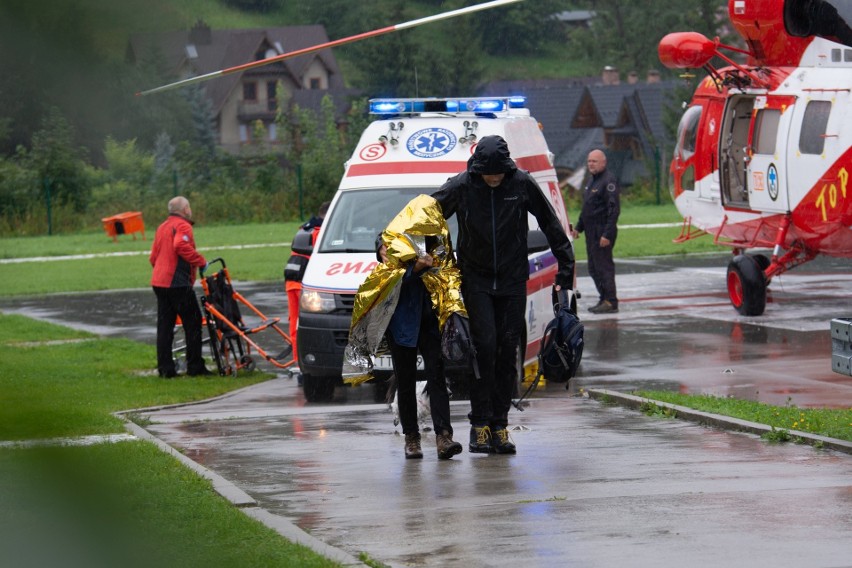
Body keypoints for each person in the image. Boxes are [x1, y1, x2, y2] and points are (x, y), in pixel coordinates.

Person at [432, 135, 575, 454]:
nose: (494, 179)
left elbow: (551, 224)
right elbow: (426, 213)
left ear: (507, 169)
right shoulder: (462, 186)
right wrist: (391, 244)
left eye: (499, 174)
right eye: (488, 175)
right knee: (484, 347)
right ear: (478, 170)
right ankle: (478, 425)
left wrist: (565, 268)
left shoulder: (521, 183)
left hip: (512, 279)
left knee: (507, 351)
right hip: (477, 279)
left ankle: (500, 424)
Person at [377, 239, 463, 460]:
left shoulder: (432, 236)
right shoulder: (392, 236)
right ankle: (411, 438)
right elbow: (389, 264)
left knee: (437, 376)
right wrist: (381, 248)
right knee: (405, 380)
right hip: (402, 319)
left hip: (429, 318)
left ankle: (444, 436)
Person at [149, 196, 211, 378]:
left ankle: (166, 369)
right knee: (193, 323)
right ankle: (195, 366)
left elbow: (153, 257)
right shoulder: (183, 225)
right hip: (177, 283)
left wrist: (162, 271)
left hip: (159, 282)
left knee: (165, 326)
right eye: (189, 207)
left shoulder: (162, 227)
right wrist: (201, 261)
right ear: (185, 210)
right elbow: (180, 245)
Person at [571, 149, 621, 314]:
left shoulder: (608, 181)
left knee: (603, 267)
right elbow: (587, 208)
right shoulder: (592, 181)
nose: (591, 164)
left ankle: (610, 301)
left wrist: (606, 234)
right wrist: (579, 227)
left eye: (595, 161)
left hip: (602, 232)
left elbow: (613, 210)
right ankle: (603, 298)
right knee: (593, 268)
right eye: (589, 161)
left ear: (603, 163)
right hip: (591, 232)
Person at [284, 201, 329, 364]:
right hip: (308, 286)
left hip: (292, 281)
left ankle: (299, 363)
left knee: (295, 326)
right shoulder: (322, 232)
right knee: (317, 326)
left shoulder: (304, 229)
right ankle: (313, 362)